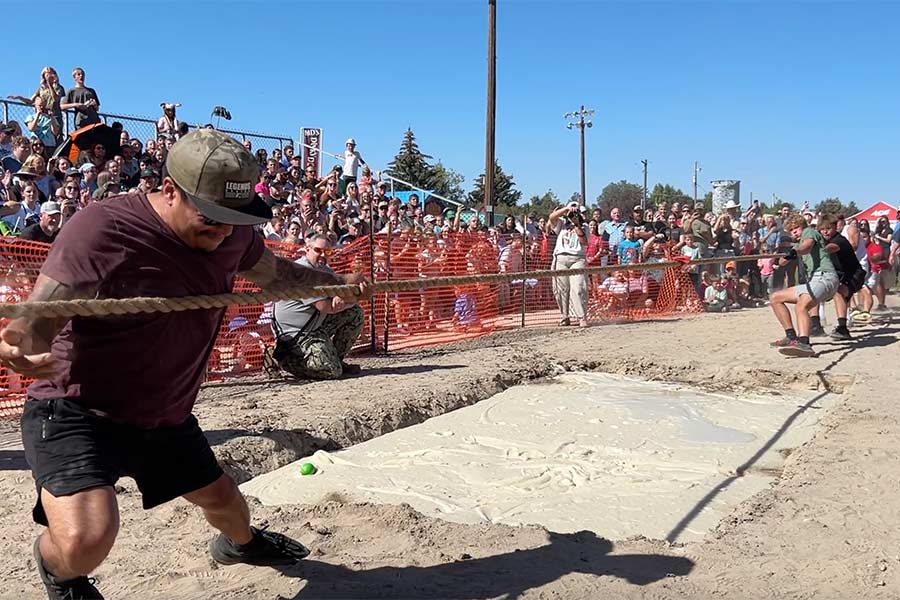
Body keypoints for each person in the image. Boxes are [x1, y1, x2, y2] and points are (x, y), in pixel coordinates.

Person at [0, 129, 370, 600]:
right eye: (211, 217)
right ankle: (60, 572)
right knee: (85, 540)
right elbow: (41, 315)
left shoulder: (234, 235)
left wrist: (333, 282)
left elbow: (280, 274)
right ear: (170, 189)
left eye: (233, 219)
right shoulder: (104, 228)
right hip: (77, 410)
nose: (222, 231)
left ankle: (240, 548)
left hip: (163, 415)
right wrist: (21, 342)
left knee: (230, 509)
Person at [270, 234, 364, 380]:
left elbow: (341, 297)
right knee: (331, 372)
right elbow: (326, 307)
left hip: (313, 326)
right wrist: (351, 298)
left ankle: (336, 359)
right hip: (295, 335)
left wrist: (356, 293)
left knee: (355, 313)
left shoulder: (325, 271)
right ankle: (283, 361)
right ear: (307, 249)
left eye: (327, 252)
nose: (322, 256)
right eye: (318, 250)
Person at [769, 214, 839, 357]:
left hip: (825, 277)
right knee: (775, 298)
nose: (794, 231)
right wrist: (785, 254)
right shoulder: (798, 244)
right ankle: (791, 336)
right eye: (791, 230)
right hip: (814, 281)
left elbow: (807, 246)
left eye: (796, 228)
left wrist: (795, 252)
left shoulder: (809, 232)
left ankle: (804, 343)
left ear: (803, 225)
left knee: (801, 305)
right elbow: (783, 261)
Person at [817, 215, 864, 340]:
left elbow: (831, 248)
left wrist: (817, 251)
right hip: (840, 276)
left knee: (838, 291)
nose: (825, 231)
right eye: (822, 229)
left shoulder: (839, 240)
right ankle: (816, 325)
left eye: (828, 228)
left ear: (835, 227)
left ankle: (842, 328)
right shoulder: (823, 240)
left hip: (854, 275)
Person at [548, 203, 588, 326]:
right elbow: (551, 218)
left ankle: (582, 317)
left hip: (577, 258)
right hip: (561, 258)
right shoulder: (561, 224)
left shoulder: (585, 226)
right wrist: (565, 209)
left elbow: (584, 241)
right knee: (561, 289)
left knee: (579, 287)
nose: (573, 215)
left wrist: (577, 224)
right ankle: (565, 316)